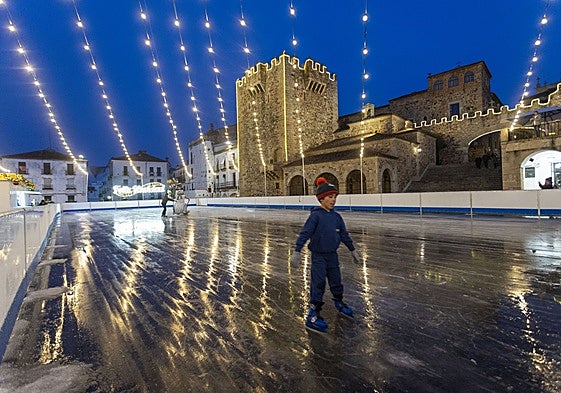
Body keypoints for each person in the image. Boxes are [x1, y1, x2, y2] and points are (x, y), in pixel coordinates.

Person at [290, 177, 361, 333]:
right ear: (321, 199)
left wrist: (352, 250)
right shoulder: (316, 216)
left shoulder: (336, 217)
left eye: (335, 197)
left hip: (332, 255)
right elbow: (305, 233)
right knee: (319, 282)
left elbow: (344, 234)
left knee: (336, 280)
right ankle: (313, 313)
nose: (333, 200)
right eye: (330, 197)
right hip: (319, 256)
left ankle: (339, 302)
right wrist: (297, 250)